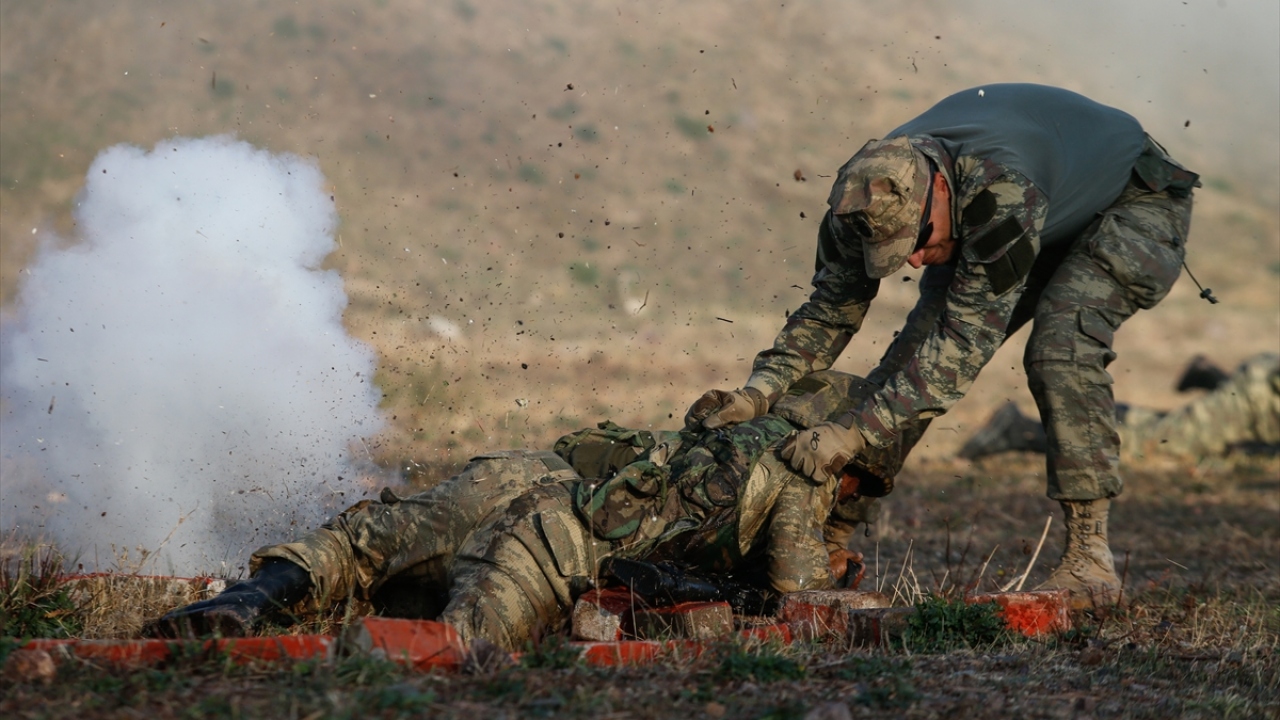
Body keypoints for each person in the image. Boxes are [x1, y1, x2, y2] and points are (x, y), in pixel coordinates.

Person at [683, 83, 1200, 609]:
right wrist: (758, 393)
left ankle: (1091, 561)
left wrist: (853, 432)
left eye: (918, 241)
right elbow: (829, 312)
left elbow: (957, 351)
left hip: (1130, 202)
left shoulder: (1001, 190)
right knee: (910, 358)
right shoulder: (858, 198)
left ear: (940, 192)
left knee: (1060, 349)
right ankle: (828, 536)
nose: (911, 262)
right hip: (1028, 205)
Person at [147, 370, 896, 651]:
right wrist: (833, 568)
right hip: (553, 539)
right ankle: (316, 656)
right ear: (850, 459)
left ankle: (249, 602)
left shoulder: (731, 425)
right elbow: (805, 602)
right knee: (462, 643)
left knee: (363, 543)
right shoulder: (804, 472)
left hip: (520, 474)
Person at [959, 353, 1280, 462]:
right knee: (1154, 443)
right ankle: (1021, 431)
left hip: (1267, 389)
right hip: (1262, 399)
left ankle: (1215, 380)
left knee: (1164, 434)